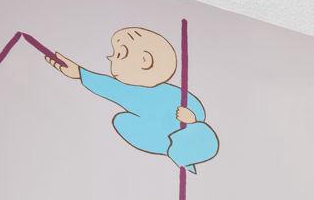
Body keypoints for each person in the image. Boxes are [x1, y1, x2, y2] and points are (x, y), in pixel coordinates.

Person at [47, 26, 218, 171]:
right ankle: (181, 149)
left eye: (120, 54)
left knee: (201, 135)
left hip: (188, 135)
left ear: (145, 60)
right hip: (164, 140)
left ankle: (187, 145)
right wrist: (79, 73)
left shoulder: (171, 95)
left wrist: (192, 119)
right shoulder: (131, 92)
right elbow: (108, 87)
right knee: (121, 121)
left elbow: (197, 111)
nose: (111, 58)